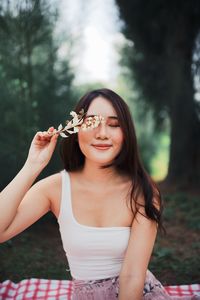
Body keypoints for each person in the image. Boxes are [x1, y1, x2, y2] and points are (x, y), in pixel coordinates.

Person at [0, 88, 198, 300]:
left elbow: (132, 276)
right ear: (75, 131)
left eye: (114, 125)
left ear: (126, 135)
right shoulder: (55, 188)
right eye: (91, 122)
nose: (103, 133)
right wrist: (32, 165)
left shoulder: (142, 192)